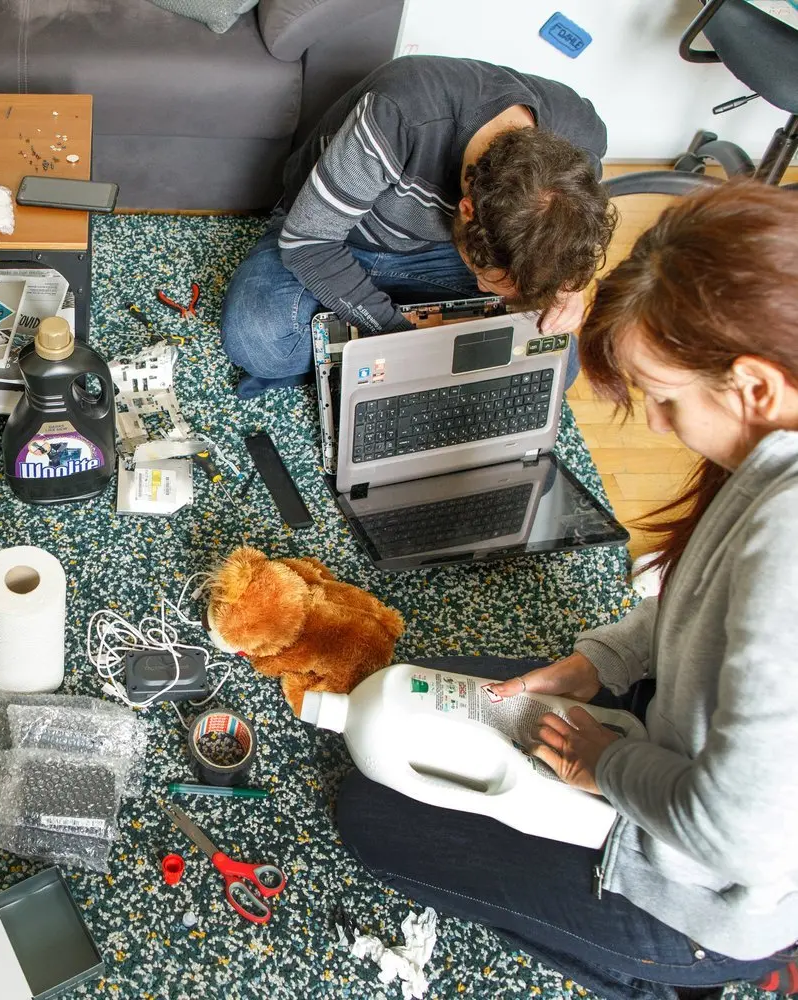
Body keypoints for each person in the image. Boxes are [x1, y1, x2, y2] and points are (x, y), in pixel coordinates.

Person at [333, 183, 798, 1000]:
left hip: (702, 894)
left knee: (372, 818)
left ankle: (666, 980)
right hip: (677, 740)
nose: (655, 425)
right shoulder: (770, 464)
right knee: (414, 687)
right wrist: (599, 661)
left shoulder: (787, 549)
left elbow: (734, 838)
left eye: (662, 395)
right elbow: (700, 612)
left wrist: (606, 761)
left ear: (755, 386)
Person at [221, 55, 616, 398]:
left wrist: (568, 288)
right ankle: (387, 329)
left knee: (558, 366)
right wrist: (399, 337)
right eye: (485, 276)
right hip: (336, 235)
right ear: (466, 209)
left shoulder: (580, 135)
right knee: (257, 340)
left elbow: (575, 219)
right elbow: (309, 242)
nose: (480, 286)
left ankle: (342, 341)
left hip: (437, 252)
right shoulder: (402, 112)